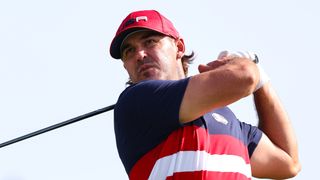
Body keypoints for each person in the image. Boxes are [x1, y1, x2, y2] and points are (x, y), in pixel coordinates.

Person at [109, 9, 301, 179]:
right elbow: (244, 77)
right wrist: (248, 67)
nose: (140, 54)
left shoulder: (228, 120)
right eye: (129, 51)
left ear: (179, 47)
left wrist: (262, 82)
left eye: (150, 42)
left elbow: (288, 163)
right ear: (125, 65)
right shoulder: (136, 102)